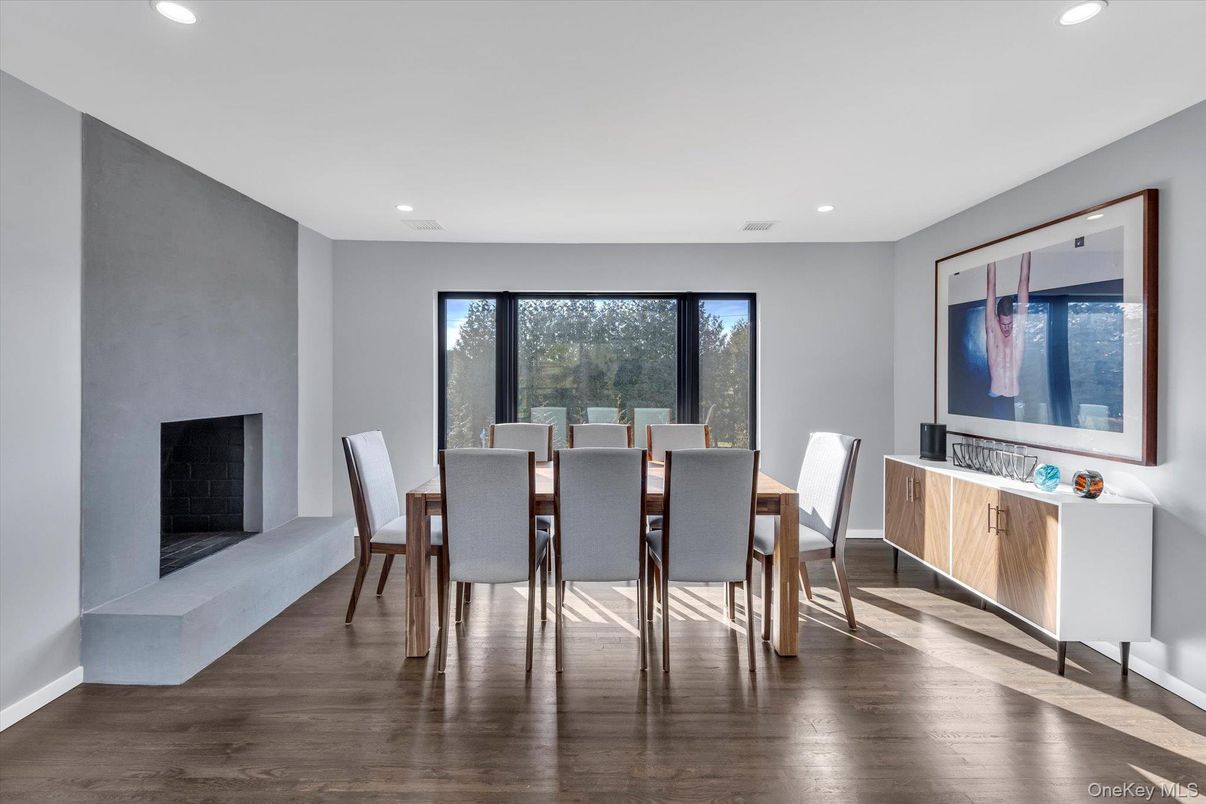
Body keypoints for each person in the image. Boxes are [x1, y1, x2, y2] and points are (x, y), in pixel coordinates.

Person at [985, 252, 1030, 420]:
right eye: (1003, 324)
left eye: (1010, 324)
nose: (1006, 328)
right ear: (997, 319)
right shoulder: (992, 328)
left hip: (1016, 396)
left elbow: (1024, 282)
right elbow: (991, 286)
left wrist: (1027, 249)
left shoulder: (1018, 329)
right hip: (995, 395)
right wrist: (991, 252)